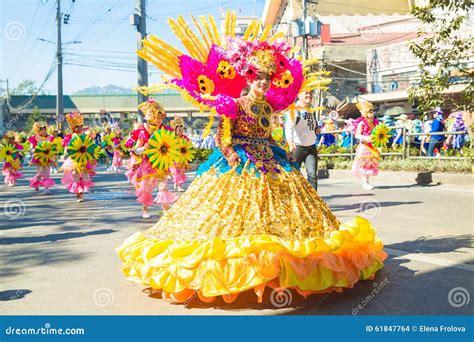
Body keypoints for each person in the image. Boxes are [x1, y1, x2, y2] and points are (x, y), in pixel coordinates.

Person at [117, 21, 387, 305]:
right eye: (258, 77)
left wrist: (280, 151)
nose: (263, 82)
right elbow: (224, 136)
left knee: (285, 216)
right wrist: (232, 154)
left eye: (267, 78)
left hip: (271, 160)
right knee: (231, 217)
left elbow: (268, 132)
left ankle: (277, 266)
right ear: (248, 78)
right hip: (239, 162)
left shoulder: (269, 107)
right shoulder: (234, 104)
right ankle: (241, 269)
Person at [124, 98, 173, 218]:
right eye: (155, 116)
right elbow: (134, 149)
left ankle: (166, 211)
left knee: (163, 186)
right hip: (147, 164)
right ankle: (145, 209)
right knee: (147, 188)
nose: (158, 119)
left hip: (161, 162)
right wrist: (144, 148)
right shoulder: (142, 131)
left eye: (159, 116)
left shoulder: (164, 130)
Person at [285, 91, 320, 190]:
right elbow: (289, 127)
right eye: (306, 93)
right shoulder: (295, 109)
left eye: (310, 93)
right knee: (294, 174)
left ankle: (314, 200)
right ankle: (295, 198)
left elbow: (312, 125)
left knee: (312, 175)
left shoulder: (311, 110)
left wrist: (316, 129)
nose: (308, 95)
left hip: (311, 147)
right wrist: (290, 142)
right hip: (298, 147)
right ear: (299, 96)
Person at [61, 112, 95, 202]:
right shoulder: (73, 136)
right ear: (73, 128)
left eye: (81, 126)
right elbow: (69, 147)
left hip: (83, 159)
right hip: (74, 160)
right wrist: (67, 151)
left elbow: (89, 145)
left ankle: (81, 193)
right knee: (76, 176)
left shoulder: (84, 136)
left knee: (84, 176)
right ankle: (78, 195)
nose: (80, 128)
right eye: (77, 127)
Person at [351, 101, 379, 190]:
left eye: (372, 112)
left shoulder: (375, 123)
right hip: (364, 147)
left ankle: (367, 180)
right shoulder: (362, 123)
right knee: (364, 164)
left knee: (370, 164)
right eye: (370, 112)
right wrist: (365, 137)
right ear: (365, 113)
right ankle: (365, 182)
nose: (372, 113)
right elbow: (357, 135)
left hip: (372, 147)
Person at [28, 121, 56, 194]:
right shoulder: (35, 138)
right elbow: (31, 148)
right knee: (40, 173)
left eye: (44, 129)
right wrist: (33, 150)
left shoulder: (50, 138)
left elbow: (53, 147)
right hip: (38, 158)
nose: (43, 131)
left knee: (47, 173)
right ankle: (36, 183)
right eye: (41, 129)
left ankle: (46, 188)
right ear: (38, 131)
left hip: (47, 158)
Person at [169, 117, 189, 192]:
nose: (180, 132)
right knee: (175, 172)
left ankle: (178, 184)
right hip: (173, 158)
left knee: (181, 172)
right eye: (179, 130)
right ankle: (178, 185)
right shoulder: (171, 137)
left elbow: (188, 146)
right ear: (175, 130)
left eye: (181, 130)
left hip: (182, 158)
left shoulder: (185, 138)